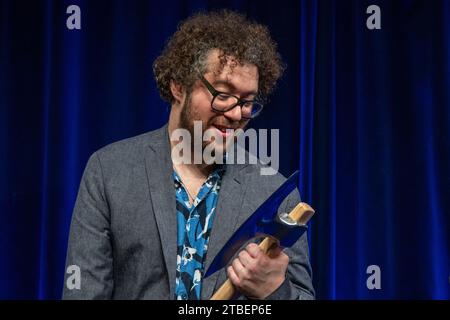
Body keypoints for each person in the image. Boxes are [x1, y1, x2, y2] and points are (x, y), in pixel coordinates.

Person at [63, 10, 314, 300]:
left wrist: (275, 291)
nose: (235, 114)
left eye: (247, 102)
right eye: (222, 94)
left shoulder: (275, 193)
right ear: (178, 85)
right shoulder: (109, 173)